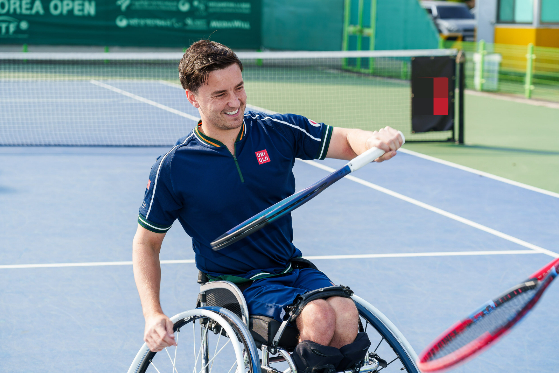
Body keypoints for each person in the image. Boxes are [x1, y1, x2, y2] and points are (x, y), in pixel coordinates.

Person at [132, 40, 404, 373]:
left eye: (239, 88)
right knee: (319, 317)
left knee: (345, 313)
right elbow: (146, 243)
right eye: (220, 95)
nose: (235, 102)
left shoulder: (276, 131)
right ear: (192, 98)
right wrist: (152, 313)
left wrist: (374, 141)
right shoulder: (174, 167)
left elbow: (348, 141)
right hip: (235, 285)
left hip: (291, 269)